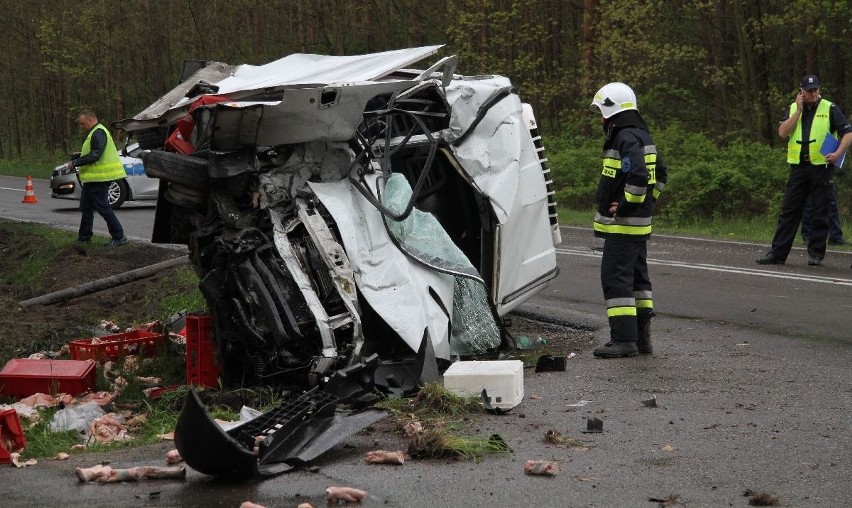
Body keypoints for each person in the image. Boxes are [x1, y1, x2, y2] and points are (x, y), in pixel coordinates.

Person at [589, 82, 667, 358]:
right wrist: (647, 203)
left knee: (615, 278)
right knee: (637, 280)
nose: (600, 118)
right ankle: (642, 340)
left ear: (612, 110)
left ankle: (623, 340)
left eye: (601, 111)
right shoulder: (642, 135)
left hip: (623, 224)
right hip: (638, 224)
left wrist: (624, 205)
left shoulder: (624, 138)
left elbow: (639, 177)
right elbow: (661, 176)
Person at [757, 75, 852, 266]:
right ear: (801, 92)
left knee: (820, 211)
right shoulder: (792, 109)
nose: (813, 94)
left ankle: (816, 254)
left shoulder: (830, 108)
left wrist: (838, 153)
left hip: (822, 167)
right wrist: (798, 111)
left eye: (816, 90)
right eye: (809, 91)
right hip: (799, 168)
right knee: (789, 211)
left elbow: (848, 133)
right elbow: (783, 132)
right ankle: (777, 254)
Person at [68, 110, 128, 247]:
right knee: (86, 207)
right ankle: (84, 237)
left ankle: (119, 236)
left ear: (90, 120)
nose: (82, 127)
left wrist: (76, 162)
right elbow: (94, 152)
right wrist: (79, 156)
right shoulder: (95, 132)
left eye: (83, 124)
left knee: (103, 207)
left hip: (100, 178)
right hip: (93, 179)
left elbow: (95, 155)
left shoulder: (98, 132)